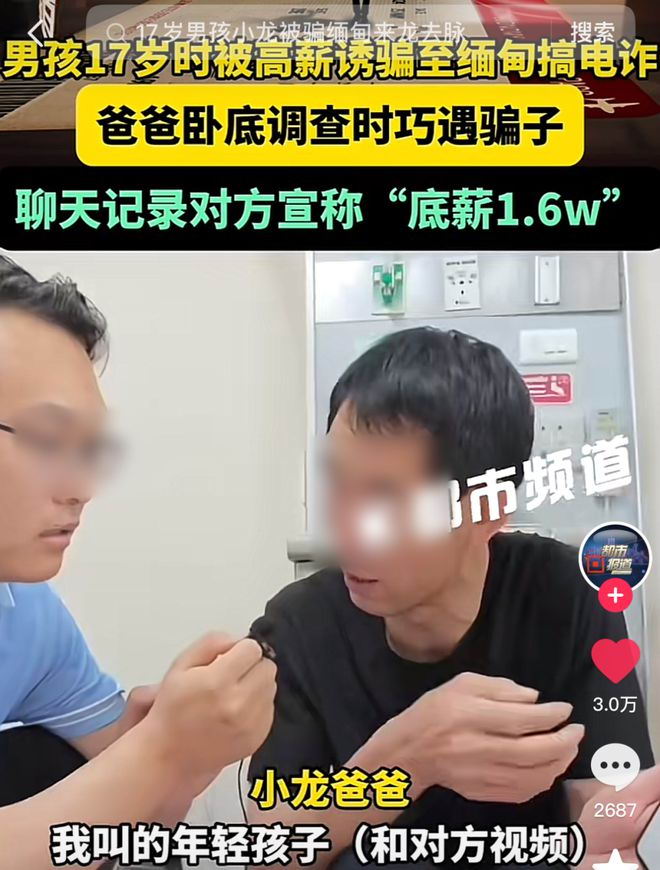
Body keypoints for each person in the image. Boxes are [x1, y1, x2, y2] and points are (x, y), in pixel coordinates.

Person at [248, 326, 655, 867]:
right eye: (338, 482)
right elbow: (274, 846)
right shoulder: (299, 625)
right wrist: (407, 759)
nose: (347, 531)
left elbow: (605, 809)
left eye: (385, 499)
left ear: (489, 509)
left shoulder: (568, 597)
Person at [0, 255, 277, 868]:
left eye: (90, 449)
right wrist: (161, 753)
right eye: (49, 439)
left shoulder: (27, 613)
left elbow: (133, 810)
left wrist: (182, 744)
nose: (82, 488)